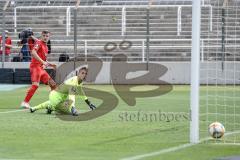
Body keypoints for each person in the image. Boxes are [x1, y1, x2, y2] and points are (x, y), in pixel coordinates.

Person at [29, 67, 96, 116]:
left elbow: (81, 92)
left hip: (55, 97)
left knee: (58, 104)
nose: (83, 75)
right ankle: (52, 107)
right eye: (82, 73)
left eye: (85, 74)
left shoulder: (79, 82)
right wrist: (73, 108)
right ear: (78, 73)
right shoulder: (73, 81)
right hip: (55, 97)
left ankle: (34, 108)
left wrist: (88, 103)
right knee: (67, 112)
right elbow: (71, 95)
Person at [20, 30, 57, 109]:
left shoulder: (46, 47)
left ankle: (53, 102)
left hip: (40, 68)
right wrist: (43, 62)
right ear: (41, 36)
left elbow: (43, 59)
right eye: (44, 36)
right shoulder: (39, 43)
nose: (45, 37)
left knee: (53, 85)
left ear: (49, 37)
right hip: (35, 67)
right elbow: (33, 52)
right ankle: (25, 102)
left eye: (47, 36)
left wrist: (50, 64)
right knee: (35, 85)